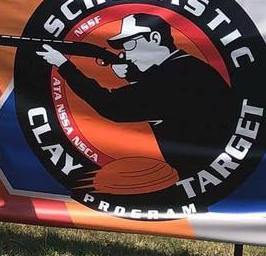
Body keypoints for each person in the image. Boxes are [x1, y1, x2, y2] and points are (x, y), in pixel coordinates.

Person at [37, 13, 240, 180]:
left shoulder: (174, 77)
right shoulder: (185, 66)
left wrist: (63, 65)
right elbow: (156, 94)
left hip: (203, 169)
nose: (127, 54)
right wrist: (134, 76)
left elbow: (109, 106)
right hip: (208, 168)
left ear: (155, 39)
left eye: (130, 45)